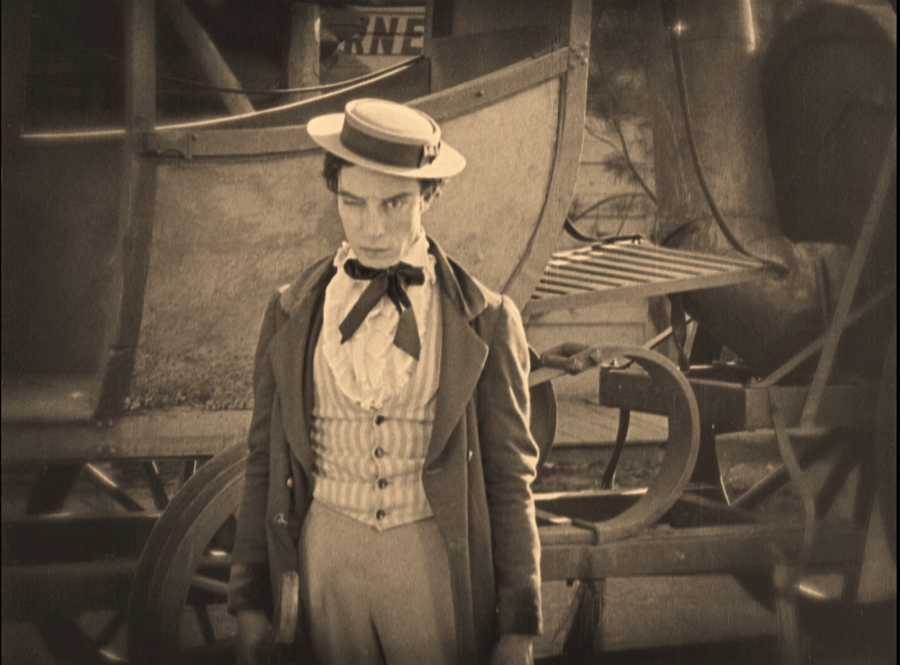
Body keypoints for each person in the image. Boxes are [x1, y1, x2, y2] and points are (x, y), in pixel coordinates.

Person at [228, 98, 542, 665]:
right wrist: (249, 600)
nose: (372, 226)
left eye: (394, 203)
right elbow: (261, 463)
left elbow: (510, 481)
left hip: (430, 565)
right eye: (353, 202)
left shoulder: (488, 320)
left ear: (428, 196)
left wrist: (518, 628)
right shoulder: (290, 313)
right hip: (325, 560)